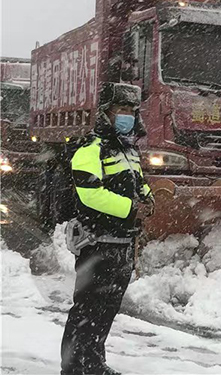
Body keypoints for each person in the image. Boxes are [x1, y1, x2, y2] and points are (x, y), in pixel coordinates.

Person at [61, 82, 154, 375]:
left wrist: (148, 197)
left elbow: (139, 183)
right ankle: (74, 368)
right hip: (96, 244)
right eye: (120, 110)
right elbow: (90, 193)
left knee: (106, 310)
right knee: (87, 310)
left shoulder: (129, 151)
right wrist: (130, 208)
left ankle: (94, 363)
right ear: (106, 113)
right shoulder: (91, 149)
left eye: (130, 110)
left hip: (121, 244)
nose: (126, 115)